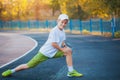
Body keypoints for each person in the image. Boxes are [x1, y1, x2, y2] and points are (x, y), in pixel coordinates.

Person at [2, 14, 83, 77]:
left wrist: (65, 46)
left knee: (69, 51)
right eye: (62, 22)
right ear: (58, 21)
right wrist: (62, 50)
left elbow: (62, 42)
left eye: (65, 23)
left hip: (54, 52)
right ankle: (11, 71)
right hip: (44, 53)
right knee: (28, 66)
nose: (63, 24)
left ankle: (71, 71)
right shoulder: (54, 31)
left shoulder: (62, 31)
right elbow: (53, 44)